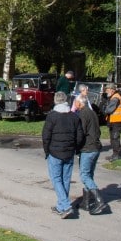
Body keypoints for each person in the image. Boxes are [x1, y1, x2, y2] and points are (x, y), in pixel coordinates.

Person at [42, 91, 77, 219]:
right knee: (65, 179)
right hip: (68, 152)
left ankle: (66, 205)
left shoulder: (52, 116)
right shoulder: (73, 116)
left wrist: (47, 151)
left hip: (55, 152)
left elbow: (46, 135)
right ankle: (61, 206)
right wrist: (76, 149)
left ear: (56, 101)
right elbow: (78, 136)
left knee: (56, 178)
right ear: (66, 100)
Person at [73, 94, 108, 215]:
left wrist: (76, 146)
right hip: (96, 146)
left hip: (88, 148)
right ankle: (86, 202)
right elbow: (98, 130)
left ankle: (99, 201)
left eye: (75, 102)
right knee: (89, 175)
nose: (74, 104)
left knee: (84, 175)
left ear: (79, 103)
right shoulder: (92, 112)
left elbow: (80, 132)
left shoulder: (82, 114)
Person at [103, 83, 121, 161]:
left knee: (115, 138)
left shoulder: (115, 98)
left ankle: (117, 155)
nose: (106, 91)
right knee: (113, 138)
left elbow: (109, 109)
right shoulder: (113, 97)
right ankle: (115, 154)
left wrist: (103, 110)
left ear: (112, 90)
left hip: (117, 121)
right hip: (113, 120)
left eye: (107, 90)